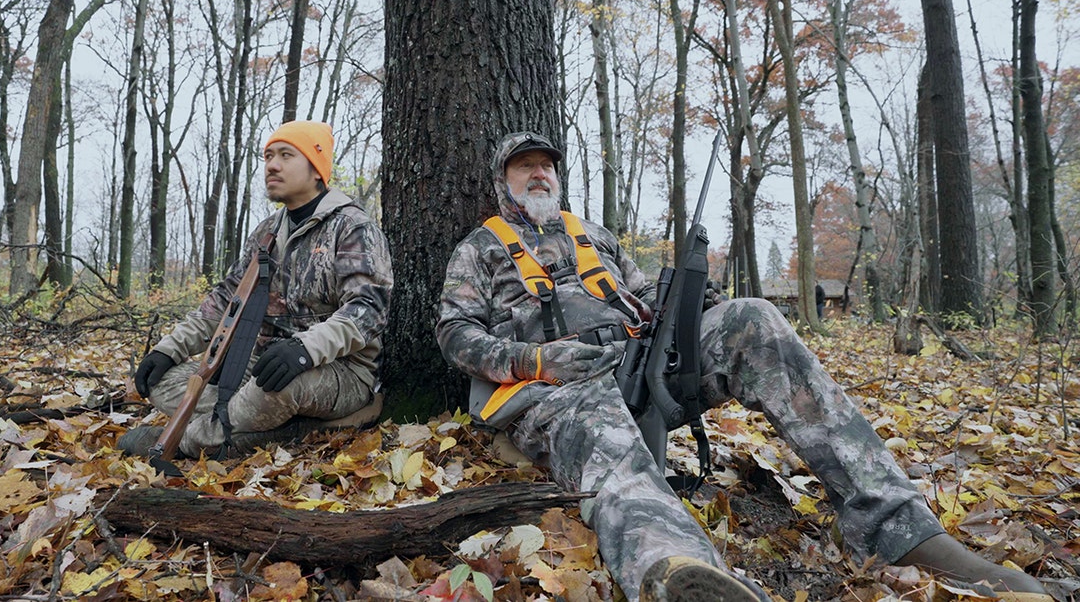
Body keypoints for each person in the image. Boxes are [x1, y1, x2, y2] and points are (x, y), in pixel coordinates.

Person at [436, 131, 1050, 602]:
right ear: (503, 181)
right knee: (597, 417)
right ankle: (673, 568)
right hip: (556, 391)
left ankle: (903, 529)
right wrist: (537, 359)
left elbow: (643, 298)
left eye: (547, 164)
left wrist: (683, 302)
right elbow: (454, 334)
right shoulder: (478, 249)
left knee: (752, 316)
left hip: (639, 370)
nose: (539, 172)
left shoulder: (596, 237)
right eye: (525, 165)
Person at [119, 120, 392, 458]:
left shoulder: (352, 228)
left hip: (340, 372)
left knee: (276, 388)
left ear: (316, 168)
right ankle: (266, 427)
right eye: (268, 156)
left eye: (286, 155)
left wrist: (304, 350)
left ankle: (185, 443)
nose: (272, 165)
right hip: (260, 362)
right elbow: (223, 302)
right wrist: (168, 349)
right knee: (164, 382)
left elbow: (368, 310)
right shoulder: (265, 234)